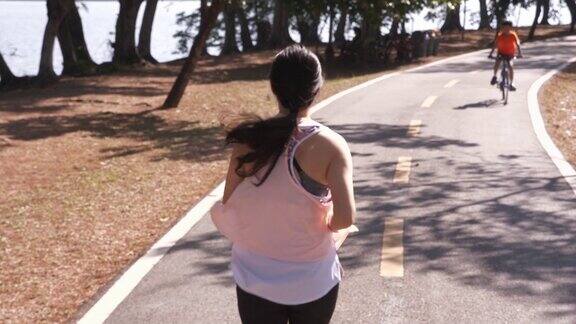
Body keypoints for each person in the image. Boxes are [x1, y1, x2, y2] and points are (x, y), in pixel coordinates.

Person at [210, 44, 356, 324]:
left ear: (274, 87)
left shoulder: (248, 141)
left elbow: (231, 203)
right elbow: (345, 218)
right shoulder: (332, 145)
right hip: (312, 281)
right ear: (317, 88)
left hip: (255, 278)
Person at [488, 21, 523, 91]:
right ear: (502, 28)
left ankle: (511, 83)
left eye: (507, 28)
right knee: (497, 63)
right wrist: (491, 54)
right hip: (501, 53)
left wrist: (520, 53)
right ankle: (494, 76)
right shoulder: (500, 35)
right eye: (504, 28)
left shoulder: (513, 35)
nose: (505, 29)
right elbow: (495, 45)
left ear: (510, 28)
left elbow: (517, 44)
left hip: (510, 54)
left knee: (510, 66)